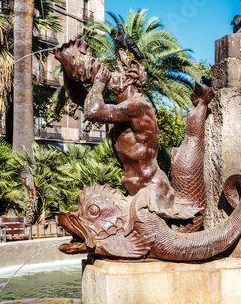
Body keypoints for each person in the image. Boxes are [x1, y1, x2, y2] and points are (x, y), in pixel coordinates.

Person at [56, 40, 199, 225]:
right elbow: (82, 100)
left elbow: (92, 112)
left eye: (116, 72)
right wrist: (67, 69)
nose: (110, 75)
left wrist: (99, 82)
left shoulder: (138, 107)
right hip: (136, 194)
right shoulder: (121, 108)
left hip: (151, 194)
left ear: (128, 79)